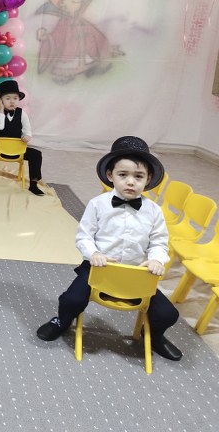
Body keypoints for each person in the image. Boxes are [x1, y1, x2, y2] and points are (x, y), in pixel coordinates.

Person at [36, 136, 182, 361]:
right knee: (71, 300)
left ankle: (153, 335)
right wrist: (93, 253)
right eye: (123, 175)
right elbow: (84, 236)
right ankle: (62, 321)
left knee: (168, 314)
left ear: (148, 179)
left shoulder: (154, 211)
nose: (130, 182)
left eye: (138, 176)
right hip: (99, 268)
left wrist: (156, 259)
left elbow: (159, 242)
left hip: (136, 273)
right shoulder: (98, 204)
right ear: (110, 175)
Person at [0, 80, 45, 196]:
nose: (12, 101)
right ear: (0, 100)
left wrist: (27, 136)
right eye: (7, 98)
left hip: (17, 148)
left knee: (36, 154)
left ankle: (33, 185)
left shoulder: (22, 113)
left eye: (15, 98)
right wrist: (1, 110)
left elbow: (27, 129)